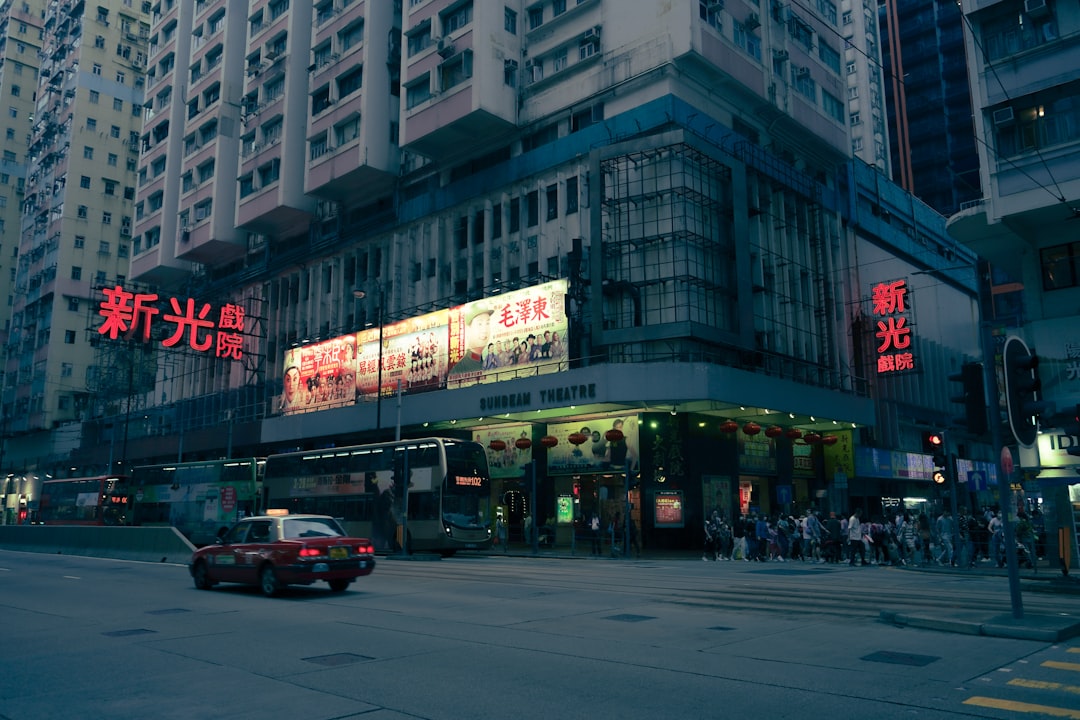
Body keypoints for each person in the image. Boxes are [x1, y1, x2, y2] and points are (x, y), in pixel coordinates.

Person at [448, 305, 494, 382]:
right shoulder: (458, 370)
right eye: (480, 324)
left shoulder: (486, 360)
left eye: (487, 323)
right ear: (468, 329)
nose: (485, 330)